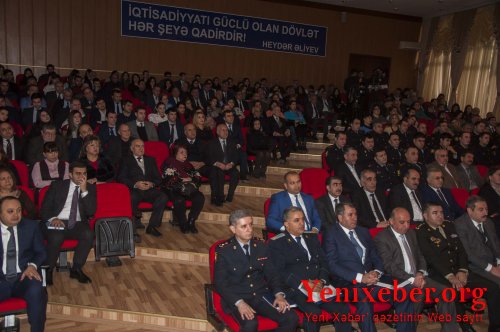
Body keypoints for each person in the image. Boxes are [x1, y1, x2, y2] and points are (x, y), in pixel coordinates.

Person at [322, 203, 416, 332]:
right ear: (340, 217)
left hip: (372, 281)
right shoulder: (331, 234)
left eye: (355, 214)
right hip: (348, 284)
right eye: (350, 215)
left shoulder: (363, 231)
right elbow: (332, 265)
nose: (355, 217)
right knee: (364, 299)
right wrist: (361, 278)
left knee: (406, 291)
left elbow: (376, 257)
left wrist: (377, 272)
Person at [416, 203, 500, 332]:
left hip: (460, 270)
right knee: (453, 291)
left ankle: (496, 327)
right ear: (425, 216)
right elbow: (431, 258)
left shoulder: (449, 225)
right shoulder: (421, 231)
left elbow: (461, 251)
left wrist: (463, 270)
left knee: (493, 288)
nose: (440, 216)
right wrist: (450, 276)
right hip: (440, 273)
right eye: (435, 213)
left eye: (441, 212)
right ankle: (465, 327)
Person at [374, 207, 459, 332]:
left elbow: (420, 256)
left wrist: (420, 272)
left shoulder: (411, 233)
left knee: (446, 292)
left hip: (418, 276)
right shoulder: (382, 237)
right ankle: (408, 328)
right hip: (398, 279)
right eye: (402, 222)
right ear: (391, 221)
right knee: (417, 295)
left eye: (408, 222)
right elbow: (389, 266)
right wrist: (412, 279)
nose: (406, 226)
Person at [268, 207, 351, 332]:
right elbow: (280, 271)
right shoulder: (277, 242)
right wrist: (303, 284)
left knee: (342, 309)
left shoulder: (311, 237)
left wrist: (322, 281)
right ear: (286, 224)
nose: (302, 223)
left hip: (319, 285)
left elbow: (324, 262)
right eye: (296, 220)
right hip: (297, 288)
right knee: (314, 313)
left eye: (302, 219)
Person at [214, 209, 299, 332]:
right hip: (238, 297)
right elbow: (220, 283)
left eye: (250, 224)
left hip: (261, 296)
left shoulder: (261, 246)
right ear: (233, 229)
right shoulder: (224, 251)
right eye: (244, 226)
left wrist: (279, 294)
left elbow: (272, 274)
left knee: (291, 318)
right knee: (250, 324)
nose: (249, 229)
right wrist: (239, 303)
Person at [41, 161, 97, 285]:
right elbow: (44, 208)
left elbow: (91, 211)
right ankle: (49, 269)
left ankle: (76, 269)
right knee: (56, 236)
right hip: (57, 220)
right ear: (70, 174)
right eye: (77, 173)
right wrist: (53, 218)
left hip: (77, 222)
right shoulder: (57, 186)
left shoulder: (90, 188)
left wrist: (84, 191)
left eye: (84, 174)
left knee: (88, 234)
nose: (81, 176)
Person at [0, 196, 47, 332]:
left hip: (22, 276)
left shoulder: (31, 226)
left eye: (19, 210)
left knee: (37, 288)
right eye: (10, 211)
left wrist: (32, 265)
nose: (16, 215)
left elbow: (41, 252)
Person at [117, 138, 167, 238]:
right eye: (137, 146)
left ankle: (152, 226)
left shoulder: (150, 160)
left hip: (149, 190)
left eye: (142, 146)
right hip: (135, 190)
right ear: (132, 148)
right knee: (131, 198)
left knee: (163, 197)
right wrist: (135, 184)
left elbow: (158, 179)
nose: (141, 148)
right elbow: (121, 178)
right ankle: (133, 229)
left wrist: (151, 183)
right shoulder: (126, 160)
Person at [455, 196, 500, 287]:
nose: (486, 213)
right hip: (477, 266)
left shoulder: (488, 222)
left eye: (486, 209)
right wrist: (491, 269)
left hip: (494, 262)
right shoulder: (460, 225)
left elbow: (496, 245)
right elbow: (468, 254)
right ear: (470, 211)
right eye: (481, 210)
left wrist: (499, 263)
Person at [160, 143, 205, 234]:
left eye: (186, 152)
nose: (185, 154)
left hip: (189, 188)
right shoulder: (169, 162)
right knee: (179, 200)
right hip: (173, 189)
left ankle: (191, 221)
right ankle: (183, 223)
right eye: (181, 152)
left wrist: (191, 179)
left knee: (200, 197)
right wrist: (182, 180)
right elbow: (168, 178)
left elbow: (197, 176)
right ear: (175, 154)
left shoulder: (188, 164)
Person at [206, 124, 239, 206]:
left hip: (229, 166)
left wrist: (231, 164)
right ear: (217, 132)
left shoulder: (232, 142)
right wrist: (217, 163)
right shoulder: (211, 143)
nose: (225, 132)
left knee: (236, 173)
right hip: (218, 166)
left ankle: (230, 195)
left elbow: (236, 156)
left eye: (226, 130)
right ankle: (220, 196)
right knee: (219, 173)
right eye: (223, 130)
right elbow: (208, 157)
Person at [478, 166, 500, 235]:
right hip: (493, 219)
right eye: (499, 174)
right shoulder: (484, 191)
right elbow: (491, 210)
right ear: (490, 177)